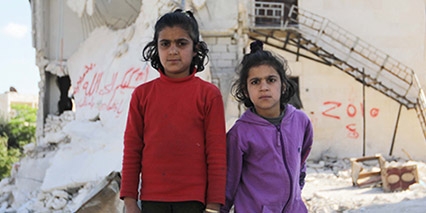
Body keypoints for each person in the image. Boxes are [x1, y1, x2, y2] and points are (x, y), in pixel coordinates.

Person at [120, 9, 226, 213]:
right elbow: (132, 150)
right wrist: (130, 201)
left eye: (181, 43)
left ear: (195, 49)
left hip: (195, 203)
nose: (173, 50)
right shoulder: (142, 95)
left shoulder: (208, 95)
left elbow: (217, 154)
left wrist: (213, 206)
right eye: (165, 44)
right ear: (156, 48)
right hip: (152, 201)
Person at [221, 40, 313, 213]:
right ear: (245, 89)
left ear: (283, 85)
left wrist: (296, 192)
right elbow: (229, 182)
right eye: (255, 82)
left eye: (271, 80)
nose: (264, 87)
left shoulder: (301, 121)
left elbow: (301, 161)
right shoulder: (239, 133)